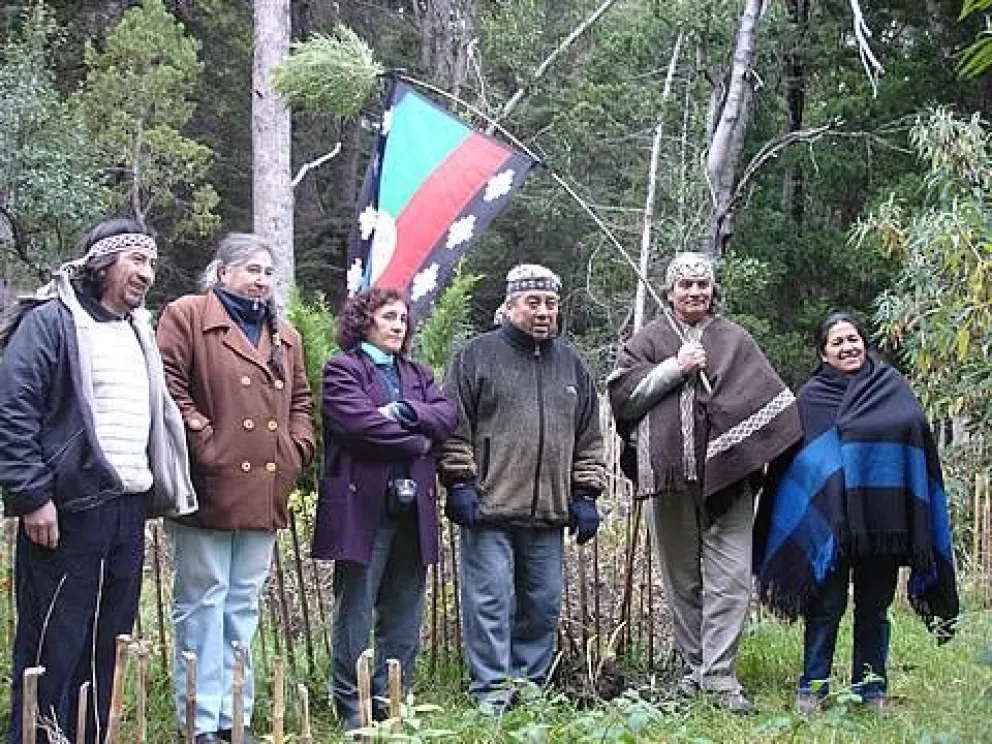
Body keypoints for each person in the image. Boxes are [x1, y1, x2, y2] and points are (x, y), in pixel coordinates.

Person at [0, 219, 197, 743]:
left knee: (106, 642)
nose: (147, 274)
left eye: (152, 264)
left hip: (125, 511)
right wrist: (32, 496)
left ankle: (86, 737)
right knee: (51, 644)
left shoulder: (138, 330)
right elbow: (13, 408)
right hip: (66, 510)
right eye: (137, 261)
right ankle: (37, 737)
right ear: (103, 262)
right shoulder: (51, 321)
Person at [607, 252, 801, 712]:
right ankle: (694, 671)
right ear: (669, 291)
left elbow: (766, 399)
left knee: (731, 579)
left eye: (702, 285)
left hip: (730, 479)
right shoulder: (648, 340)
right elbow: (623, 401)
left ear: (713, 291)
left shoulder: (735, 340)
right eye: (685, 285)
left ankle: (720, 677)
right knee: (681, 580)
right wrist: (675, 367)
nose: (695, 292)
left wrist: (732, 431)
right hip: (669, 480)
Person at [754, 312, 959, 715]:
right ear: (823, 353)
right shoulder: (811, 398)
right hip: (831, 522)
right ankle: (812, 689)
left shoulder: (890, 386)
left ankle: (871, 690)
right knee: (826, 606)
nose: (848, 347)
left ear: (864, 342)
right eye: (837, 343)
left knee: (874, 608)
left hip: (883, 519)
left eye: (853, 339)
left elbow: (914, 431)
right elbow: (798, 460)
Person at [157, 233, 314, 744]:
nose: (262, 280)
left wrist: (296, 449)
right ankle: (199, 721)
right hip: (207, 484)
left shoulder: (285, 333)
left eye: (269, 272)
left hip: (266, 488)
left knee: (243, 603)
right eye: (252, 269)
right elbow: (167, 382)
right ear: (221, 272)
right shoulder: (187, 314)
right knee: (203, 601)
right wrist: (203, 438)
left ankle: (233, 717)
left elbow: (302, 403)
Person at [439, 264, 606, 711]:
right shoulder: (475, 357)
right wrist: (460, 482)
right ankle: (491, 694)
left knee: (543, 605)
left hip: (550, 512)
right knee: (489, 603)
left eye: (551, 303)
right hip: (489, 506)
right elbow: (453, 425)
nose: (544, 312)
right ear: (510, 305)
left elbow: (590, 436)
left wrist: (586, 494)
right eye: (533, 302)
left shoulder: (572, 366)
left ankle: (530, 692)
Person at [312, 287, 457, 731]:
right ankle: (352, 707)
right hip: (363, 508)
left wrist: (401, 411)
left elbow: (447, 416)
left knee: (404, 612)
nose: (399, 325)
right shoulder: (343, 369)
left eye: (403, 318)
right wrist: (419, 438)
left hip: (413, 510)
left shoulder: (417, 372)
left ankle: (392, 700)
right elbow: (359, 425)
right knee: (355, 610)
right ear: (364, 321)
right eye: (389, 316)